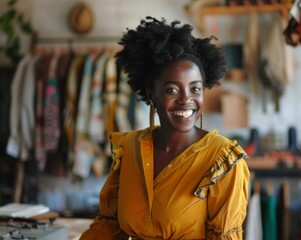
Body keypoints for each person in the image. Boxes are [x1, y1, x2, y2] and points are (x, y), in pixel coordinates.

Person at [80, 16, 250, 240]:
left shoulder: (222, 161)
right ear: (151, 94)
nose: (186, 100)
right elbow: (107, 227)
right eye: (172, 90)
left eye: (195, 89)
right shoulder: (129, 149)